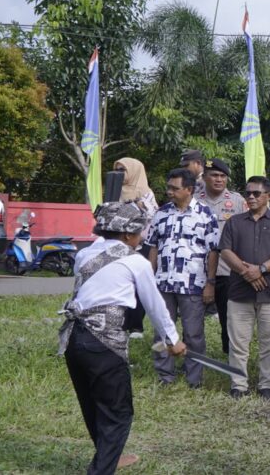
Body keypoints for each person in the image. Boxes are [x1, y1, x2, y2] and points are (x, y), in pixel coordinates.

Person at [58, 202, 186, 474]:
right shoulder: (135, 262)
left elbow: (96, 266)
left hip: (74, 339)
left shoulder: (84, 255)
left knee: (92, 404)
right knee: (118, 413)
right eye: (139, 231)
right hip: (104, 344)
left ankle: (109, 455)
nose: (141, 237)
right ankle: (102, 468)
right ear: (129, 235)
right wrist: (173, 339)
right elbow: (154, 305)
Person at [220, 176, 270, 399]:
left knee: (269, 342)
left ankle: (266, 385)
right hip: (239, 292)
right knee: (238, 342)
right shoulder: (234, 222)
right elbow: (225, 251)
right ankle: (238, 384)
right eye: (248, 193)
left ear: (269, 196)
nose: (251, 197)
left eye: (256, 193)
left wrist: (260, 269)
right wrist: (247, 272)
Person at [146, 168, 219, 388]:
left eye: (174, 188)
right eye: (168, 187)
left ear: (189, 189)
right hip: (163, 283)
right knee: (162, 331)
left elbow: (213, 251)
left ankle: (193, 378)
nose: (169, 192)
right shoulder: (161, 213)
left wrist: (210, 283)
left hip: (193, 285)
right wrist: (150, 278)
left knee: (193, 333)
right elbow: (153, 247)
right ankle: (165, 377)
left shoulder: (206, 214)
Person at [193, 158, 247, 354]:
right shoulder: (193, 200)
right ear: (205, 177)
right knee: (194, 317)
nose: (218, 179)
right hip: (197, 268)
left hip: (227, 269)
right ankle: (194, 354)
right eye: (214, 175)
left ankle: (229, 352)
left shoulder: (238, 201)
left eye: (222, 176)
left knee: (229, 317)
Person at [113, 157, 159, 339]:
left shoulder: (146, 193)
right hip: (119, 245)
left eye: (122, 170)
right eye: (117, 169)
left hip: (141, 245)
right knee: (120, 285)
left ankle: (135, 325)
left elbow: (153, 217)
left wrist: (139, 205)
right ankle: (118, 322)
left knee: (138, 286)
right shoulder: (114, 191)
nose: (119, 173)